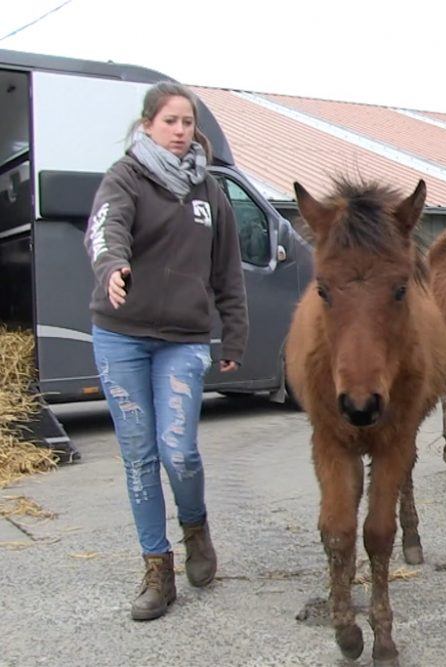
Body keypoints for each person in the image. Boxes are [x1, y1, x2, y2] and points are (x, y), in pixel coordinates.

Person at [84, 82, 248, 620]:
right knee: (139, 458)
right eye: (170, 121)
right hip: (121, 335)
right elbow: (106, 231)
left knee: (179, 450)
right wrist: (112, 268)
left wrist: (235, 334)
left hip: (183, 340)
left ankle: (195, 528)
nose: (180, 131)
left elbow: (227, 270)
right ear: (149, 124)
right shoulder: (125, 177)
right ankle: (158, 569)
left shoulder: (209, 192)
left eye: (187, 122)